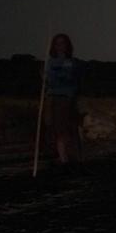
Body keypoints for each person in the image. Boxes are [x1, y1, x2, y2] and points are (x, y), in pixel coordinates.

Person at [45, 33, 83, 168]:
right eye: (57, 43)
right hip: (55, 98)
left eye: (63, 43)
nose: (60, 46)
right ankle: (63, 158)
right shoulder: (49, 62)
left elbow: (72, 80)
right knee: (57, 128)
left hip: (68, 99)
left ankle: (71, 156)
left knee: (69, 128)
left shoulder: (72, 62)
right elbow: (49, 81)